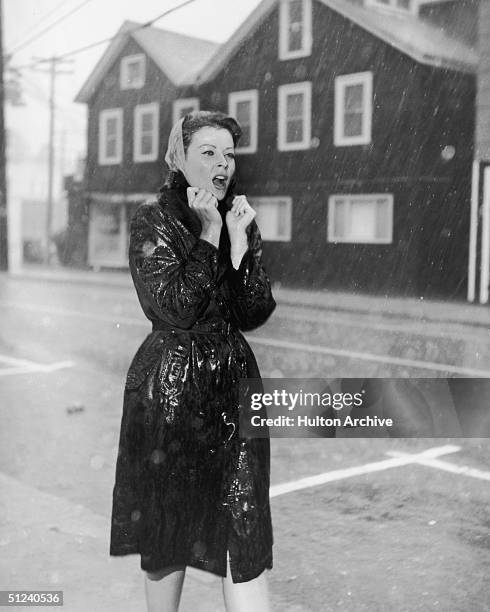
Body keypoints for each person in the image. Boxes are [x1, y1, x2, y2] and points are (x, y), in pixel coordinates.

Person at [109, 110, 276, 612]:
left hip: (234, 390)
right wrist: (208, 235)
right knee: (168, 530)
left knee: (244, 525)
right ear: (178, 158)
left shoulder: (237, 218)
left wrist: (241, 248)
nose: (223, 165)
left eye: (229, 154)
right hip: (172, 392)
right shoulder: (151, 219)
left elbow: (253, 311)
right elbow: (175, 308)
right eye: (209, 153)